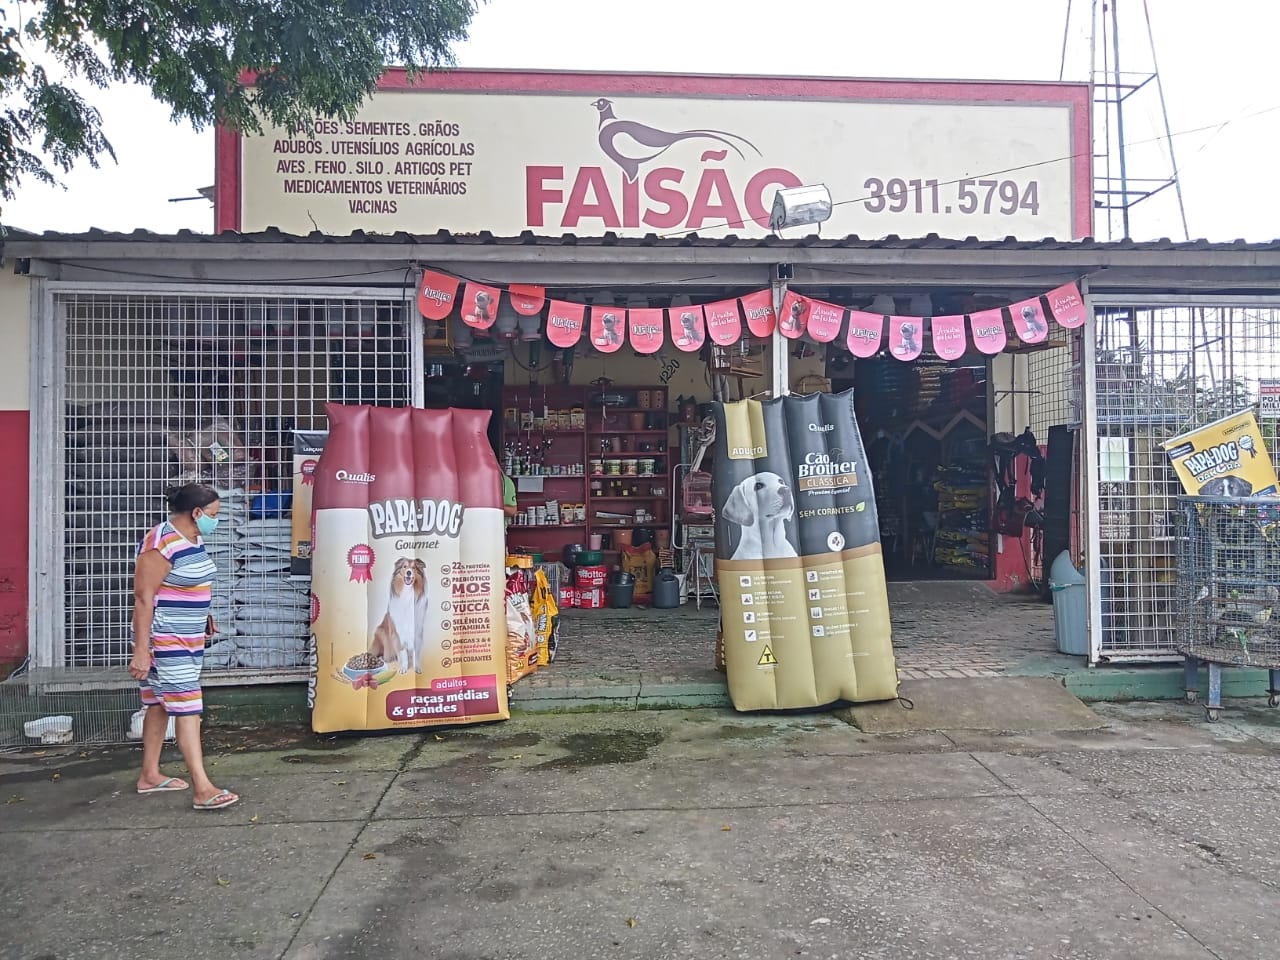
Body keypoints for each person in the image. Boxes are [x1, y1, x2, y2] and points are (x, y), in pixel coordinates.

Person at [128, 483, 239, 811]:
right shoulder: (160, 543)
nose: (215, 521)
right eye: (214, 515)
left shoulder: (193, 537)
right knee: (189, 708)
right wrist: (141, 649)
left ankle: (149, 775)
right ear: (196, 513)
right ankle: (202, 788)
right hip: (165, 639)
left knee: (160, 704)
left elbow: (188, 581)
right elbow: (144, 598)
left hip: (189, 636)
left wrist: (204, 613)